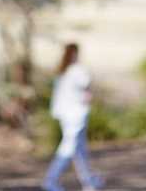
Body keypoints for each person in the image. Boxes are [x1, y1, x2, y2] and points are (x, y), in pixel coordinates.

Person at [43, 43, 103, 191]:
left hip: (65, 115)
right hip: (76, 116)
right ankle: (51, 180)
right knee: (68, 147)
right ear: (76, 53)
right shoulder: (77, 70)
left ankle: (89, 181)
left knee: (79, 149)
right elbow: (87, 89)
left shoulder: (63, 71)